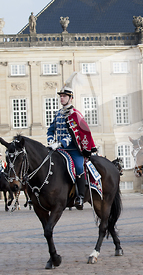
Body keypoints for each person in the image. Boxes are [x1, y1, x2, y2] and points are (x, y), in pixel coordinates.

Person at [47, 82, 97, 210]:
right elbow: (51, 129)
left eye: (64, 96)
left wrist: (60, 142)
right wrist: (51, 140)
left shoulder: (75, 114)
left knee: (79, 167)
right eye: (61, 96)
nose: (61, 98)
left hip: (74, 149)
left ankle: (80, 196)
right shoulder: (58, 114)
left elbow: (77, 134)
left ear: (71, 98)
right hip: (59, 149)